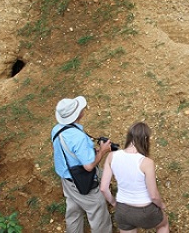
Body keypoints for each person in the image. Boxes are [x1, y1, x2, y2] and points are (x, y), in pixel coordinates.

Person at [51, 96, 112, 233]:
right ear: (78, 114)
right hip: (82, 182)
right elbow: (89, 166)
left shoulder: (56, 129)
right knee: (97, 210)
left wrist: (88, 152)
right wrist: (102, 151)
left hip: (66, 179)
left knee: (73, 210)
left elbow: (63, 150)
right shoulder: (78, 138)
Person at [100, 122, 169, 233]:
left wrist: (114, 203)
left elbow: (103, 188)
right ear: (145, 140)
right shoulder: (146, 162)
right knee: (163, 225)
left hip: (122, 210)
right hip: (145, 210)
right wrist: (161, 205)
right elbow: (154, 196)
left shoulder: (111, 156)